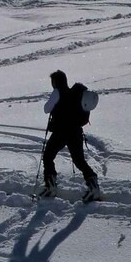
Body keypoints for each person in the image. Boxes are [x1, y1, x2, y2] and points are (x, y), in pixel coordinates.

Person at [39, 70, 101, 200]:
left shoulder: (57, 92)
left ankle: (51, 187)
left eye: (53, 81)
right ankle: (93, 187)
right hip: (76, 132)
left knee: (48, 156)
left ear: (55, 82)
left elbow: (46, 109)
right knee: (79, 161)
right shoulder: (75, 93)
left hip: (61, 132)